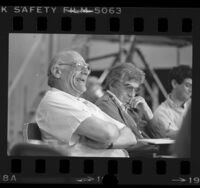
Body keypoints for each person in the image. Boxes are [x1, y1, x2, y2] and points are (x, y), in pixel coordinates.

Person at [35, 50, 137, 157]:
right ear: (57, 71)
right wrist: (113, 133)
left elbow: (130, 136)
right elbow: (108, 133)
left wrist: (108, 144)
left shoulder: (83, 103)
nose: (86, 72)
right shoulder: (55, 99)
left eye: (87, 67)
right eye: (79, 66)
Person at [96, 63, 159, 157]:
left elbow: (159, 135)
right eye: (129, 88)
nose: (132, 94)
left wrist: (148, 112)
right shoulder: (105, 104)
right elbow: (127, 141)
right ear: (113, 84)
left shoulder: (127, 107)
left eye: (136, 89)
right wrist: (161, 147)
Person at [151, 65, 192, 139]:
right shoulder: (161, 113)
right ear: (174, 83)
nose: (191, 90)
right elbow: (173, 136)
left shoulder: (192, 105)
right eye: (188, 85)